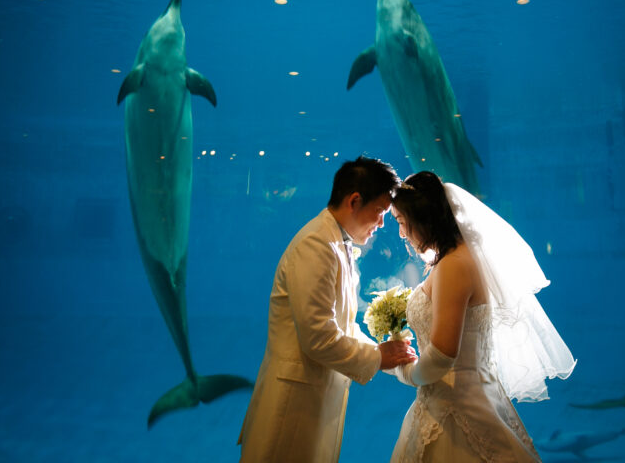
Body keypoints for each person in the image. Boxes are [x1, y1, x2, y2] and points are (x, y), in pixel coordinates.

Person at [237, 156, 417, 463]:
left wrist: (383, 354)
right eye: (381, 212)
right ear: (354, 200)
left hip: (313, 399)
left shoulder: (338, 243)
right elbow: (318, 337)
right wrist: (377, 356)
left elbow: (343, 327)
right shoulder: (316, 245)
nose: (382, 224)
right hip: (292, 405)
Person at [388, 171, 576, 462]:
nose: (401, 233)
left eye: (401, 222)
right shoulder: (457, 259)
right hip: (461, 398)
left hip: (456, 410)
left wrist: (402, 370)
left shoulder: (453, 265)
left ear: (421, 216)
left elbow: (441, 356)